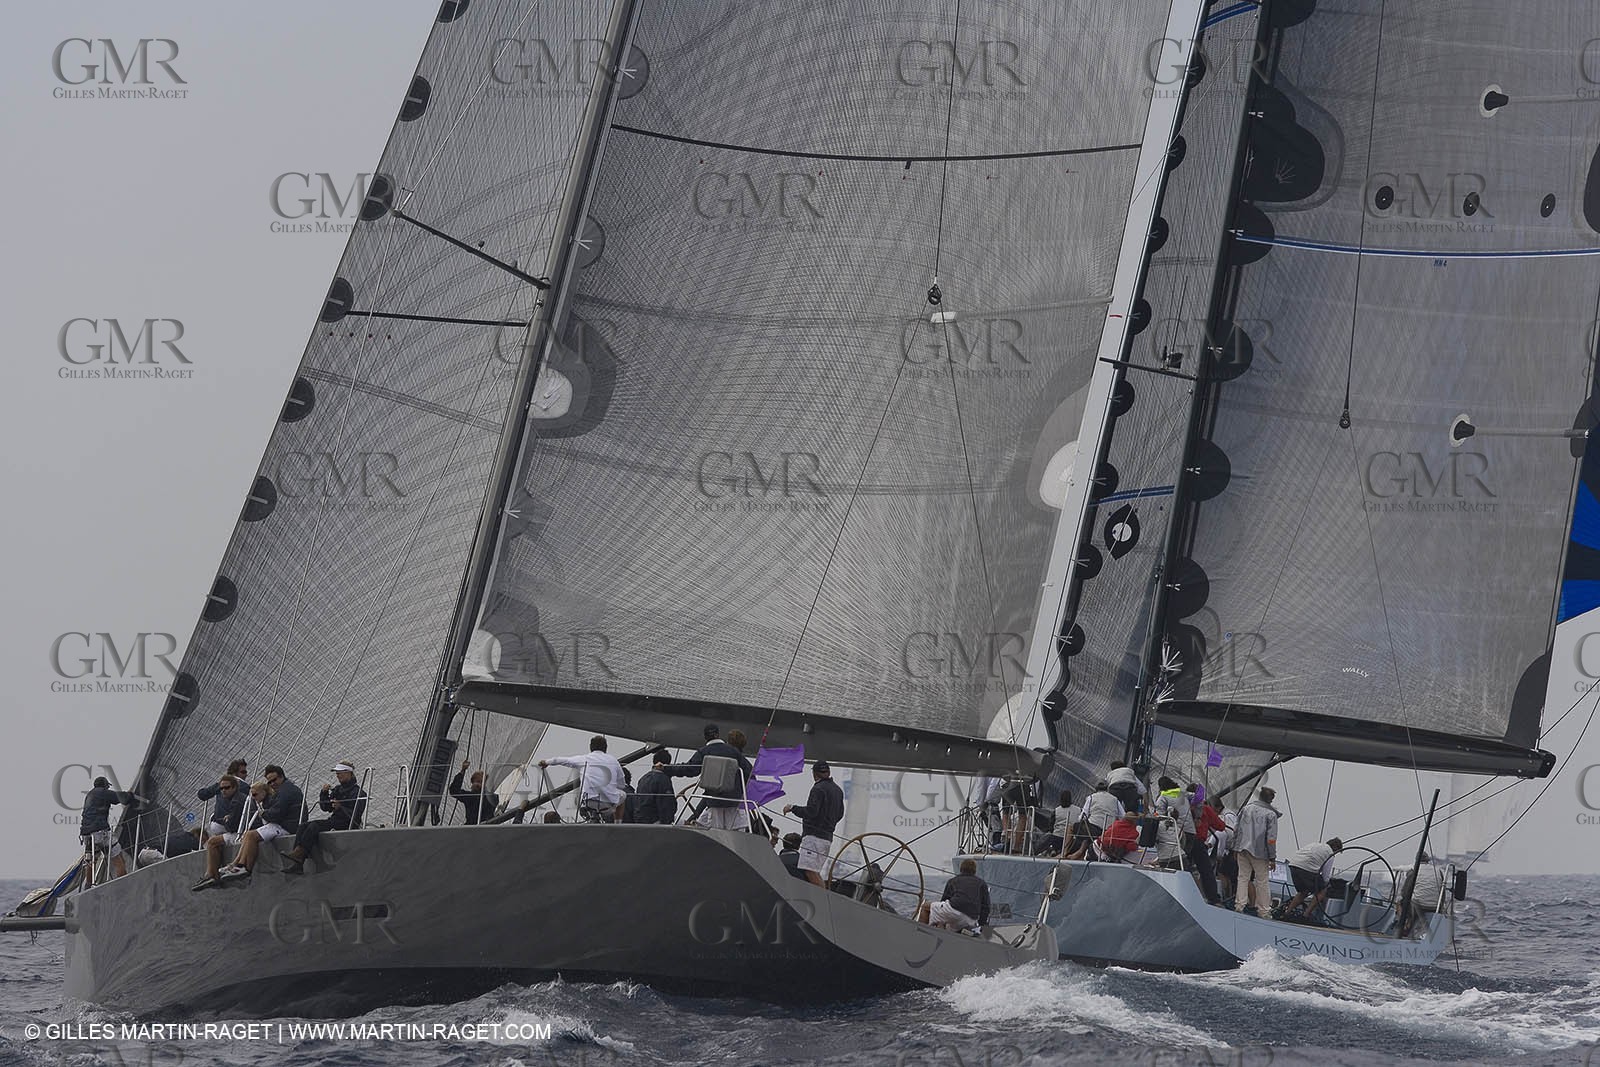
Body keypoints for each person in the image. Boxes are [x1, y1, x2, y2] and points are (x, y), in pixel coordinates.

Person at [217, 765, 303, 882]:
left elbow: (276, 813)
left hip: (287, 827)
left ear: (282, 776)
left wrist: (263, 814)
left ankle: (246, 868)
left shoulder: (285, 791)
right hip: (284, 824)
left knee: (251, 835)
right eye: (269, 782)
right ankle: (238, 864)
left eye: (274, 780)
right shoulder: (283, 789)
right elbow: (276, 810)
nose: (272, 783)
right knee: (248, 834)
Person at [282, 763, 367, 874]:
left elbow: (356, 815)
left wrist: (340, 807)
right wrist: (324, 794)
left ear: (349, 773)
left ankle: (298, 854)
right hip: (335, 820)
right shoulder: (337, 790)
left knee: (315, 825)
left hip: (347, 823)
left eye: (340, 773)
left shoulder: (359, 793)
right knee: (303, 826)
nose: (338, 775)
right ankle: (297, 861)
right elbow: (325, 807)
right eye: (337, 773)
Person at [668, 725, 754, 831]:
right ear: (718, 734)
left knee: (715, 832)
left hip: (714, 803)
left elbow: (689, 769)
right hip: (734, 802)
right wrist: (739, 790)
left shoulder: (704, 752)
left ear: (705, 737)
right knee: (736, 832)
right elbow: (750, 774)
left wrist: (668, 769)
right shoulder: (733, 752)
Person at [194, 780, 269, 890]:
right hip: (243, 831)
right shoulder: (236, 799)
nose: (223, 791)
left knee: (212, 842)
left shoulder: (237, 801)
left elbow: (232, 827)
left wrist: (227, 820)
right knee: (213, 841)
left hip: (245, 832)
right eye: (221, 789)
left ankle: (215, 874)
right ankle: (212, 874)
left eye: (227, 788)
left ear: (234, 788)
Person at [784, 759, 844, 886]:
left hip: (813, 838)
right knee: (814, 871)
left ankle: (823, 900)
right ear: (828, 772)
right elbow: (839, 814)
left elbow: (811, 811)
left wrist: (792, 808)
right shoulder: (838, 791)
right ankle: (822, 899)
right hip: (827, 839)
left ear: (815, 774)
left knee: (809, 871)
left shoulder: (818, 789)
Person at [540, 736, 626, 822]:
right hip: (607, 804)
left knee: (579, 796)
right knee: (623, 795)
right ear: (606, 747)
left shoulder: (584, 759)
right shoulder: (614, 761)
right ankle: (617, 824)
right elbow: (621, 784)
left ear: (590, 747)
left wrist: (546, 762)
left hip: (588, 802)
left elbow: (561, 760)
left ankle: (591, 818)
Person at [80, 776, 140, 882]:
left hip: (86, 835)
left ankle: (88, 886)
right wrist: (131, 794)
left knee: (91, 861)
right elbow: (123, 799)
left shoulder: (90, 794)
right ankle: (123, 883)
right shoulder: (103, 792)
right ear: (105, 785)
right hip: (100, 833)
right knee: (118, 858)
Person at [1232, 787, 1280, 916]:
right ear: (1270, 799)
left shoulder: (1246, 809)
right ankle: (1263, 910)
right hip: (1260, 852)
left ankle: (1239, 905)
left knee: (1242, 877)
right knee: (1262, 881)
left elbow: (1237, 829)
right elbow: (1271, 839)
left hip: (1242, 848)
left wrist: (1234, 848)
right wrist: (1272, 858)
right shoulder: (1271, 814)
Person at [917, 858, 990, 932]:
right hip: (970, 920)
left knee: (925, 906)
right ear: (975, 871)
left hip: (954, 911)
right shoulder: (982, 883)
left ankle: (920, 934)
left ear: (961, 869)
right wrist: (981, 925)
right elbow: (986, 907)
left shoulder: (953, 881)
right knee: (947, 920)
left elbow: (944, 900)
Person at [1280, 838, 1343, 921]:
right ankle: (1306, 915)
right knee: (1322, 890)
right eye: (1337, 852)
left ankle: (1287, 913)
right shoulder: (1330, 853)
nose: (1335, 854)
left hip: (1294, 865)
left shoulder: (1315, 844)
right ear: (1335, 848)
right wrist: (1327, 884)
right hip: (1306, 868)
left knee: (1304, 891)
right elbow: (1325, 876)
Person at [1188, 784, 1227, 906]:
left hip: (1184, 841)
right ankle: (1214, 899)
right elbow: (1220, 826)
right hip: (1198, 842)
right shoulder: (1206, 809)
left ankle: (1187, 893)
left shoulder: (1182, 805)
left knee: (1184, 868)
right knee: (1206, 871)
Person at [1069, 782, 1124, 859]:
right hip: (1109, 831)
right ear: (1107, 789)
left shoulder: (1091, 797)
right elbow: (1123, 817)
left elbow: (1082, 816)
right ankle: (1080, 852)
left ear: (1096, 789)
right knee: (1088, 829)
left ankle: (1065, 851)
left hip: (1094, 829)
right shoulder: (1115, 799)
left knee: (1073, 827)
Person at [631, 747, 677, 824]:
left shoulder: (643, 778)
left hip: (640, 821)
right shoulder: (663, 780)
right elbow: (667, 806)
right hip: (655, 822)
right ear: (667, 764)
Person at [448, 759, 499, 825]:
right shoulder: (470, 796)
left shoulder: (492, 797)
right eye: (476, 782)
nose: (477, 784)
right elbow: (454, 791)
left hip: (486, 827)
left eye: (480, 782)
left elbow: (494, 802)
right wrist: (462, 771)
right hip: (472, 827)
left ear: (485, 783)